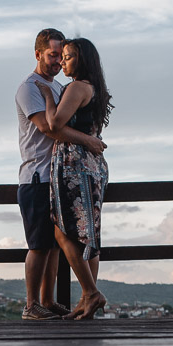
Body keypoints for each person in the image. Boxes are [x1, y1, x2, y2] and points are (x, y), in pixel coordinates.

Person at [15, 29, 107, 320]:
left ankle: (50, 300)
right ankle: (32, 304)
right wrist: (88, 140)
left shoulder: (63, 87)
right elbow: (48, 127)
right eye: (53, 55)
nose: (58, 61)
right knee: (41, 244)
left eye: (63, 56)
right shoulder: (31, 87)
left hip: (64, 173)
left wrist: (87, 141)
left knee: (57, 242)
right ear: (38, 54)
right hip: (39, 174)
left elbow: (62, 122)